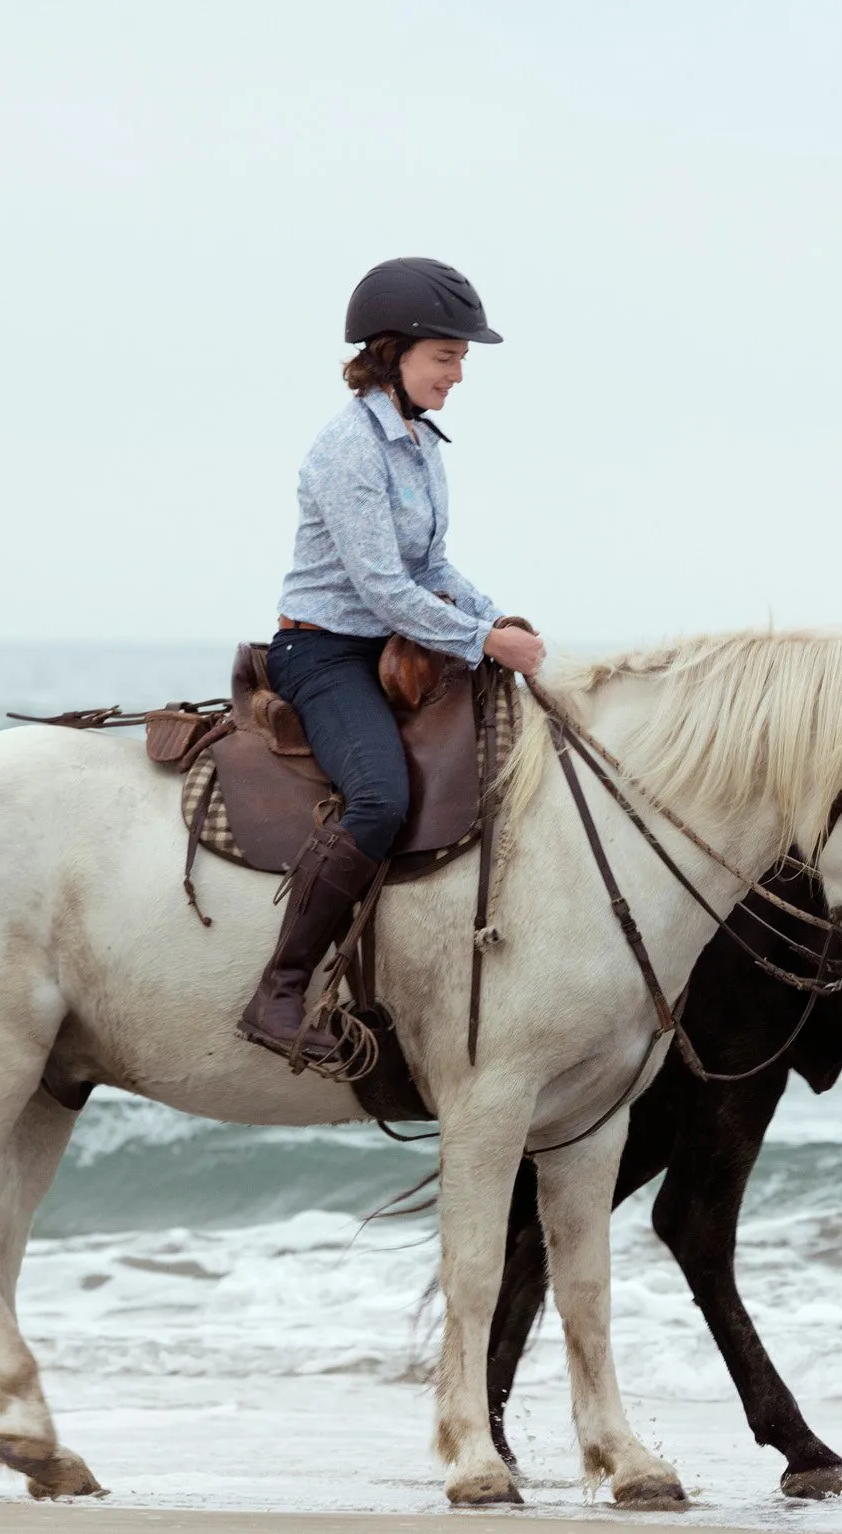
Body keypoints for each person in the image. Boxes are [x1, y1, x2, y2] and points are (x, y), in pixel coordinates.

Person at [240, 257, 547, 1062]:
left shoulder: (420, 441)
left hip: (395, 645)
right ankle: (278, 991)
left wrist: (497, 618)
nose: (457, 375)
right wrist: (482, 642)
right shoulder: (349, 447)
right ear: (394, 350)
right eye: (446, 357)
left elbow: (432, 568)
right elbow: (381, 585)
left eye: (461, 360)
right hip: (324, 652)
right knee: (378, 797)